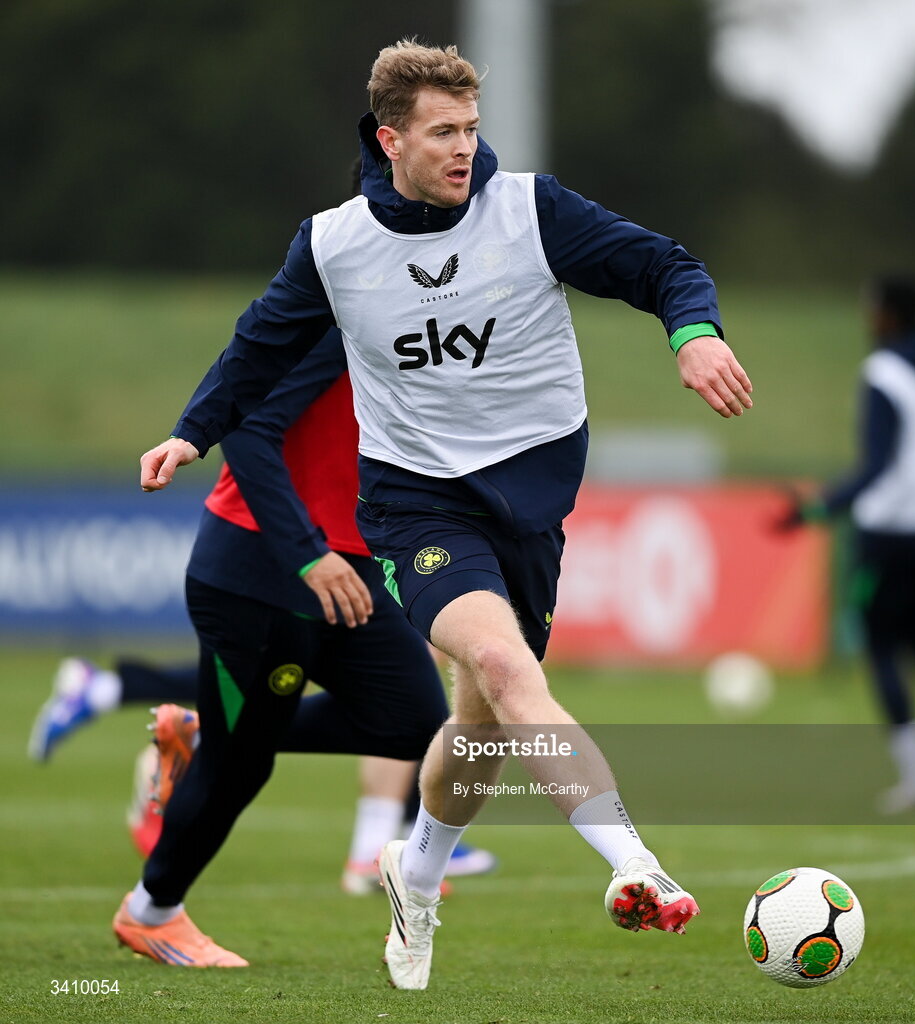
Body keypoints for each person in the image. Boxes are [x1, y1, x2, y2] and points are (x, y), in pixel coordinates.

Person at [138, 39, 753, 989]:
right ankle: (636, 865)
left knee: (478, 724)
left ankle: (413, 872)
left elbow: (661, 266)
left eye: (470, 128)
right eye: (441, 133)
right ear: (389, 140)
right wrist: (192, 433)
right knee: (503, 669)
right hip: (414, 503)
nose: (464, 147)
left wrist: (694, 333)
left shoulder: (531, 211)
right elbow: (257, 347)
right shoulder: (334, 244)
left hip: (531, 504)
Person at [113, 329, 456, 966]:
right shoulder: (336, 317)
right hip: (260, 571)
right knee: (239, 767)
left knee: (419, 725)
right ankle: (151, 912)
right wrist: (307, 553)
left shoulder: (420, 322)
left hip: (349, 564)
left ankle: (202, 732)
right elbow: (247, 428)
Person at [780, 274, 915, 813]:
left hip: (891, 536)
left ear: (891, 314)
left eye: (871, 307)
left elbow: (877, 466)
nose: (866, 317)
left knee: (882, 649)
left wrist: (818, 508)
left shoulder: (884, 372)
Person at [29, 656, 495, 888]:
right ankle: (386, 841)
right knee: (296, 670)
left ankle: (394, 835)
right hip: (315, 541)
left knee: (384, 683)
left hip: (335, 537)